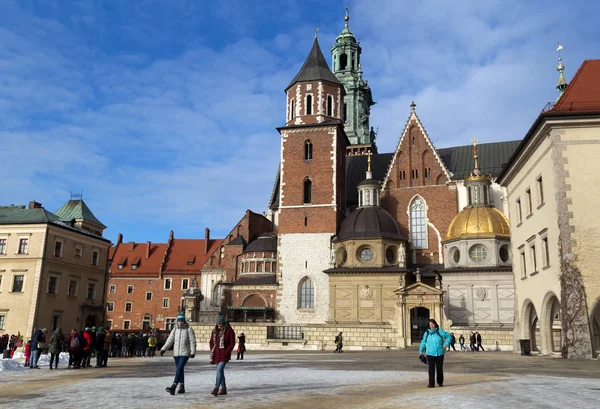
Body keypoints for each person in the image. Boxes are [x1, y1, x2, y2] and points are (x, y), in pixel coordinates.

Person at [161, 311, 197, 395]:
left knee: (179, 368)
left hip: (185, 353)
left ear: (184, 321)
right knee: (180, 369)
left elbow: (192, 341)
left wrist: (193, 352)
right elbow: (169, 341)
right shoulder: (175, 330)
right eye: (179, 321)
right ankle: (182, 386)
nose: (180, 322)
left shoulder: (189, 329)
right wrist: (163, 349)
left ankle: (174, 386)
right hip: (176, 353)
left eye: (181, 321)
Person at [419, 319, 451, 388]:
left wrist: (446, 344)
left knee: (439, 368)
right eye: (430, 324)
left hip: (440, 353)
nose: (432, 325)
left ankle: (440, 382)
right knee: (431, 369)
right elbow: (423, 342)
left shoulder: (440, 331)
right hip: (430, 354)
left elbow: (448, 337)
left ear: (435, 324)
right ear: (428, 325)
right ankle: (431, 383)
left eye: (433, 324)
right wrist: (420, 351)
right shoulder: (426, 333)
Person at [209, 313, 235, 397]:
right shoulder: (214, 331)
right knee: (220, 372)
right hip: (216, 354)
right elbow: (211, 342)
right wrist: (212, 349)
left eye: (220, 323)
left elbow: (232, 343)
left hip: (224, 354)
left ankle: (216, 387)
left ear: (223, 322)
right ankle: (223, 388)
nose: (219, 324)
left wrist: (227, 351)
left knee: (219, 370)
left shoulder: (229, 330)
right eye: (218, 323)